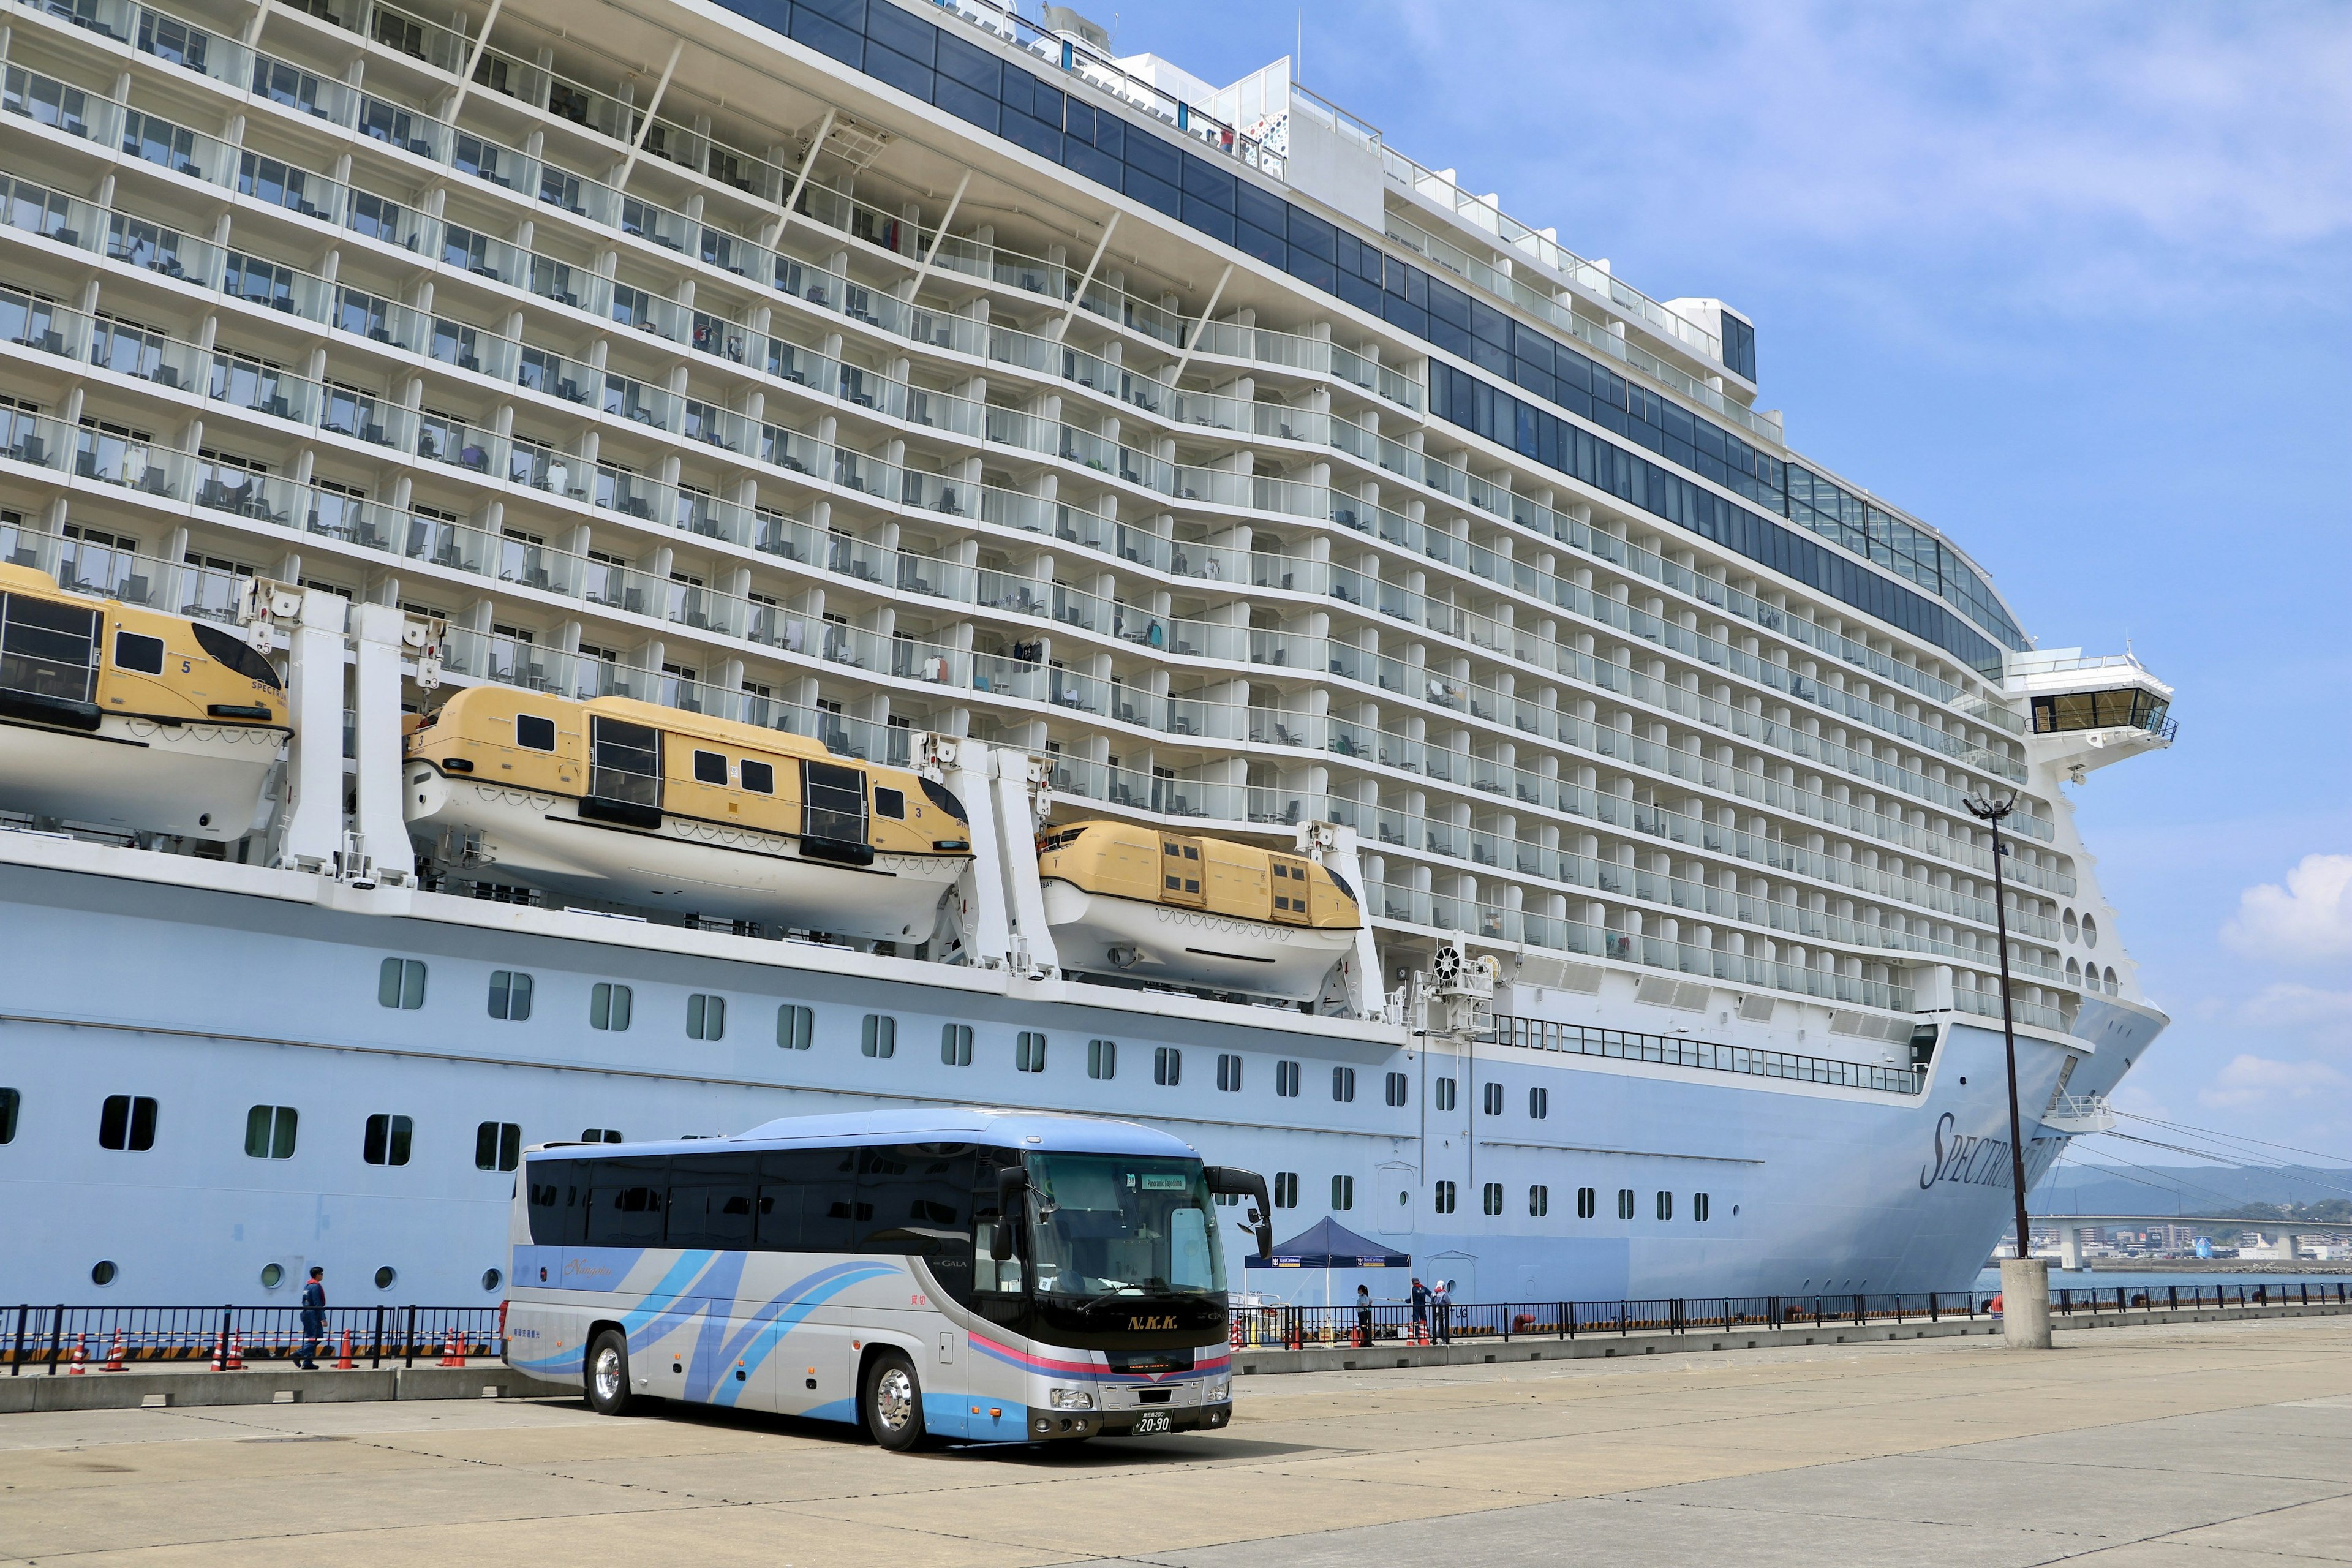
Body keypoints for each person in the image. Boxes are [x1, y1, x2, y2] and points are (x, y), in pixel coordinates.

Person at [296, 1266, 326, 1369]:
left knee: (311, 1338)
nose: (322, 1276)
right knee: (317, 1337)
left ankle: (308, 1362)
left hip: (306, 1313)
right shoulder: (316, 1287)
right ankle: (299, 1353)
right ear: (317, 1275)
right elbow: (318, 1303)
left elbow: (304, 1301)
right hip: (313, 1315)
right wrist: (323, 1318)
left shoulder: (307, 1286)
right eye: (321, 1274)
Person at [1431, 1277, 1452, 1344]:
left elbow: (1432, 1301)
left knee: (1440, 1324)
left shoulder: (1434, 1293)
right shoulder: (1443, 1293)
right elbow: (1449, 1302)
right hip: (1442, 1310)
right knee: (1439, 1323)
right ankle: (1434, 1337)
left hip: (1435, 1309)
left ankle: (1444, 1337)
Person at [1410, 1276, 1429, 1343]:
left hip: (1416, 1305)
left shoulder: (1414, 1289)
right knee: (1424, 1318)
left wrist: (1406, 1301)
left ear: (1413, 1283)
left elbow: (1412, 1299)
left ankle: (1418, 1333)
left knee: (1416, 1319)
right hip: (1423, 1305)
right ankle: (1426, 1332)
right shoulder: (1424, 1288)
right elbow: (1430, 1294)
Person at [1355, 1283, 1373, 1347]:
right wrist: (1369, 1306)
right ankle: (1368, 1340)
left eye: (1358, 1290)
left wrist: (1366, 1307)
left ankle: (1367, 1341)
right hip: (1365, 1313)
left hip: (1362, 1313)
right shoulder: (1366, 1296)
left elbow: (1363, 1304)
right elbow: (1371, 1301)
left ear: (1360, 1290)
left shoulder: (1362, 1296)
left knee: (1363, 1327)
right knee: (1365, 1327)